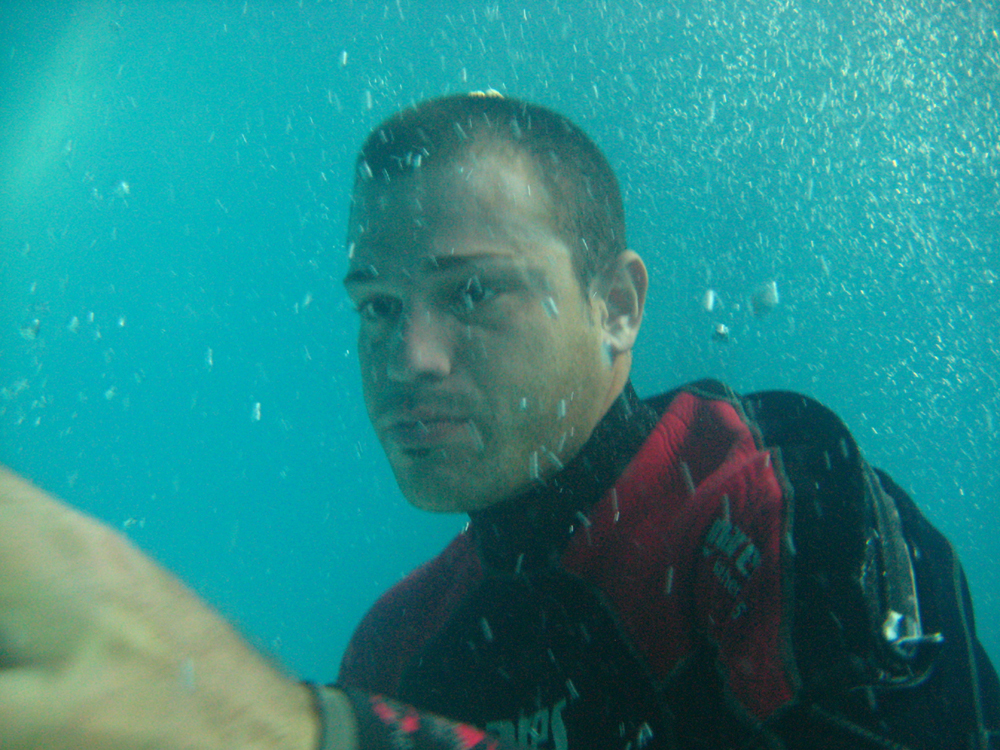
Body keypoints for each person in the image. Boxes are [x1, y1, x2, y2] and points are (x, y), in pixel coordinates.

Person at [0, 92, 996, 750]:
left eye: (473, 293)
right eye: (377, 307)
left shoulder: (770, 497)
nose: (410, 358)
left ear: (617, 306)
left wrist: (295, 732)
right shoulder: (398, 648)